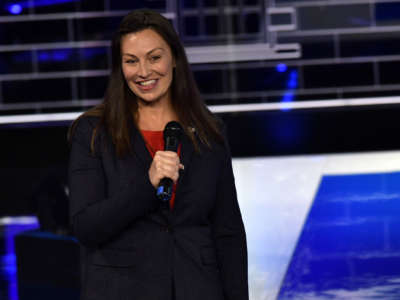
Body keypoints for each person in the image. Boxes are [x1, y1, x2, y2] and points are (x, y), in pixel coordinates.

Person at [68, 9, 248, 300]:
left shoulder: (208, 130)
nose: (143, 72)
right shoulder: (93, 132)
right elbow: (86, 227)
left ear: (174, 58)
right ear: (119, 67)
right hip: (122, 290)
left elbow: (228, 232)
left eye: (154, 57)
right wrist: (147, 185)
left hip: (199, 288)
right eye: (131, 61)